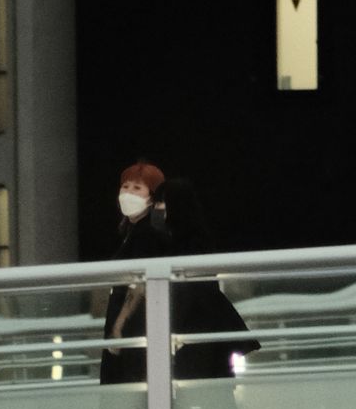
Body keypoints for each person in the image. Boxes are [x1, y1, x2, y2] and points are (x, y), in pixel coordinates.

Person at [99, 160, 254, 385]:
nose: (128, 193)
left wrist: (120, 325)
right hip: (174, 337)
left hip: (171, 338)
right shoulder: (150, 236)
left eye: (137, 188)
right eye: (125, 186)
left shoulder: (154, 238)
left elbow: (147, 287)